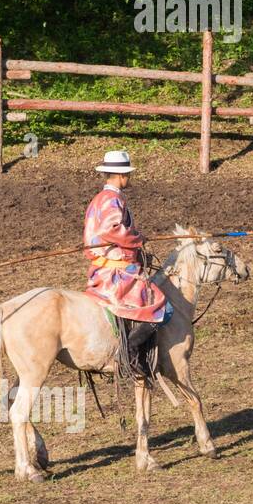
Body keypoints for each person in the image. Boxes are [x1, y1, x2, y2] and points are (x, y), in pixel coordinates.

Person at [83, 151, 170, 377]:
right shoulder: (112, 199)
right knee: (162, 305)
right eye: (128, 175)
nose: (129, 179)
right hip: (114, 272)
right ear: (121, 176)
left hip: (105, 265)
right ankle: (129, 349)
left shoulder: (99, 199)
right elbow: (112, 230)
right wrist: (137, 239)